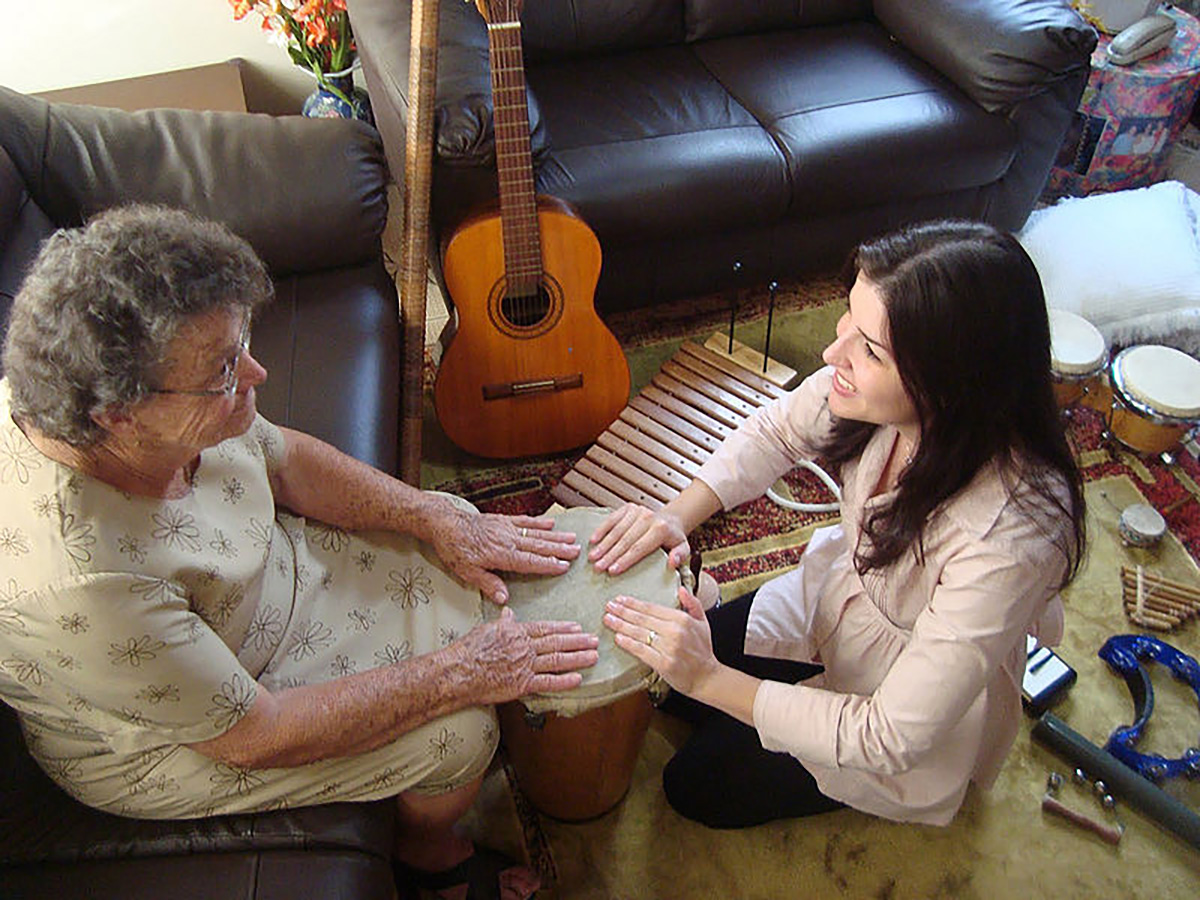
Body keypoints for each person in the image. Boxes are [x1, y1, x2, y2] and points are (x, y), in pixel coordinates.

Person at [0, 205, 600, 900]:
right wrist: (456, 675)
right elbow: (253, 734)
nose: (255, 373)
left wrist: (433, 514)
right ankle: (429, 858)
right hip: (189, 726)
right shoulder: (81, 582)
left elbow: (280, 459)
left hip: (258, 585)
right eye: (225, 369)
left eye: (243, 343)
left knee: (461, 535)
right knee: (459, 735)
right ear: (117, 418)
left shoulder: (126, 399)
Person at [593, 220, 1086, 828]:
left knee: (693, 782)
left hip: (897, 705)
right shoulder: (873, 394)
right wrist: (675, 516)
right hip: (839, 606)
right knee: (667, 684)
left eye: (871, 349)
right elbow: (775, 430)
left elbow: (889, 734)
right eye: (848, 318)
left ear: (952, 379)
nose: (834, 354)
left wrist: (711, 678)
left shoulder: (1011, 535)